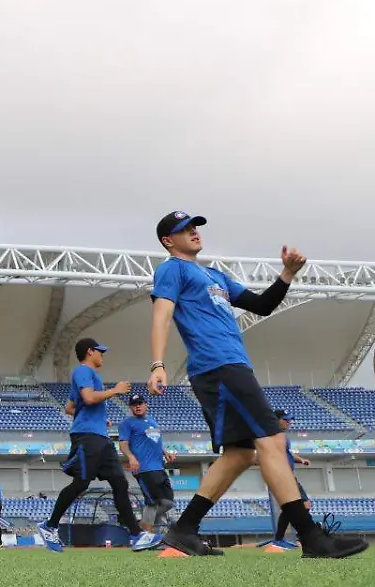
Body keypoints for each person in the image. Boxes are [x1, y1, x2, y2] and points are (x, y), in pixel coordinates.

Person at [148, 211, 366, 558]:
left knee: (240, 454)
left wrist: (287, 274)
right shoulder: (171, 269)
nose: (192, 232)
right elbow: (161, 314)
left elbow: (261, 305)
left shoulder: (215, 275)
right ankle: (311, 537)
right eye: (182, 229)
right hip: (219, 367)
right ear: (167, 241)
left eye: (194, 226)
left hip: (230, 366)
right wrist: (158, 364)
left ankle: (184, 530)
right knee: (272, 439)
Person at [36, 339, 161, 553]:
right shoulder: (82, 371)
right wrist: (116, 390)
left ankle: (135, 535)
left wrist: (96, 419)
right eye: (100, 351)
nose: (103, 355)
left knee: (120, 483)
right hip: (87, 437)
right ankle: (50, 526)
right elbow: (88, 397)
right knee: (81, 484)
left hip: (100, 437)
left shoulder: (90, 376)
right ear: (90, 351)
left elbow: (69, 407)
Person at [117, 395, 176, 534]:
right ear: (130, 407)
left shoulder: (152, 422)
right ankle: (145, 537)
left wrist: (165, 452)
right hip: (144, 469)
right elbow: (123, 445)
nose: (137, 406)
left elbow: (154, 440)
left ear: (146, 405)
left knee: (168, 502)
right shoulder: (127, 423)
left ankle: (142, 527)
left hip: (159, 468)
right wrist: (131, 457)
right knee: (153, 503)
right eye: (134, 404)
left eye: (140, 403)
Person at [260, 410, 314, 550]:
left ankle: (280, 539)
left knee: (290, 507)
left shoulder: (282, 436)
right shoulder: (271, 436)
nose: (289, 422)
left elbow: (287, 453)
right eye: (285, 420)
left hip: (288, 475)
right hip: (284, 475)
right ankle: (302, 537)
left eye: (289, 420)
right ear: (276, 420)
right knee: (304, 504)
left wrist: (301, 460)